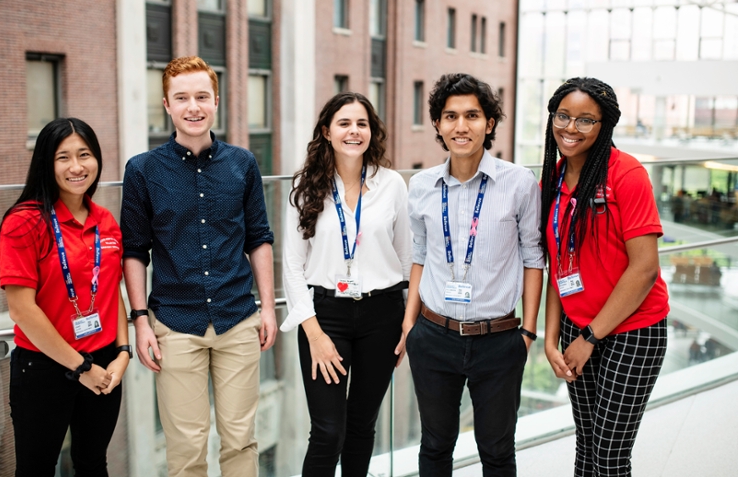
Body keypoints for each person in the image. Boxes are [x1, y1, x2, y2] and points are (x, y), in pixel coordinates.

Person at [120, 56, 276, 477]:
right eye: (182, 98)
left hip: (238, 319)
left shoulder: (242, 164)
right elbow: (134, 251)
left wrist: (267, 308)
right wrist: (140, 322)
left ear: (216, 101)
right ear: (167, 105)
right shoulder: (142, 170)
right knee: (186, 449)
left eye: (202, 97)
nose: (194, 106)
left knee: (241, 440)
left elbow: (259, 237)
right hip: (174, 324)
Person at [404, 74, 543, 476]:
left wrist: (528, 333)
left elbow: (534, 258)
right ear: (437, 125)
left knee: (497, 451)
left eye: (471, 116)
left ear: (490, 123)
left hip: (498, 340)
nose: (460, 126)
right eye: (450, 116)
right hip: (433, 336)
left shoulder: (518, 183)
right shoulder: (422, 185)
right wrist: (410, 324)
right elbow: (419, 255)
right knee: (434, 446)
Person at [540, 77, 669, 477]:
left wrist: (590, 338)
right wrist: (550, 337)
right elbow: (558, 265)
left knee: (610, 455)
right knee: (586, 444)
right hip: (577, 329)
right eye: (563, 116)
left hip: (632, 330)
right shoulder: (554, 180)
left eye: (585, 120)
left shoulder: (626, 174)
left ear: (604, 126)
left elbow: (645, 268)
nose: (570, 128)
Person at [280, 92, 412, 476]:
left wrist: (407, 322)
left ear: (372, 132)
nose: (354, 131)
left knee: (360, 427)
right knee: (327, 431)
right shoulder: (305, 186)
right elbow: (292, 265)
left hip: (382, 315)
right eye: (344, 123)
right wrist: (314, 334)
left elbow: (407, 260)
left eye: (362, 124)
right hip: (325, 317)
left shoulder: (392, 185)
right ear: (326, 131)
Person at [0, 118, 130, 476]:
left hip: (103, 364)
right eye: (63, 157)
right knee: (36, 468)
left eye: (84, 155)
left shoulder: (106, 221)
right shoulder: (23, 222)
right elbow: (22, 310)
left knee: (92, 463)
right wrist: (80, 367)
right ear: (46, 162)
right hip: (45, 366)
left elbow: (111, 290)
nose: (76, 167)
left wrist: (123, 352)